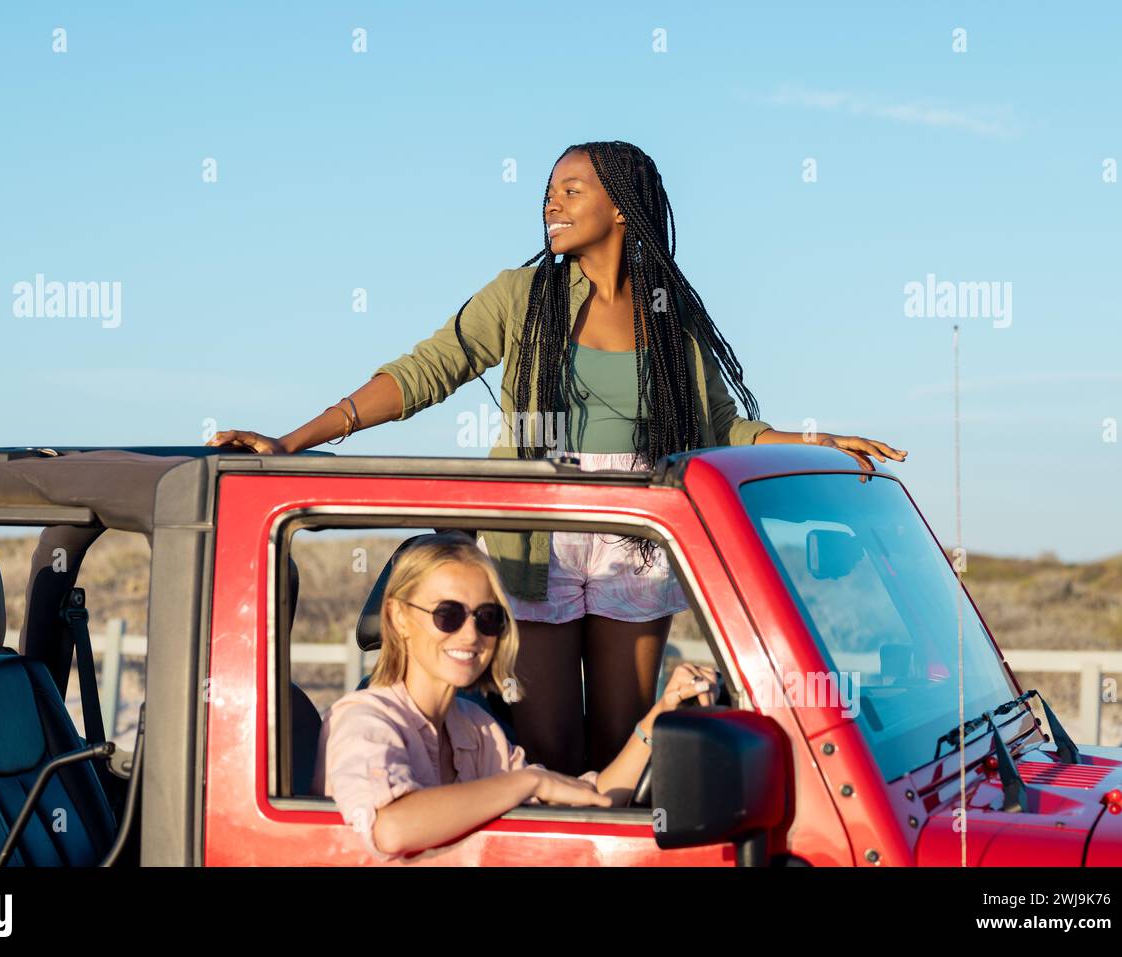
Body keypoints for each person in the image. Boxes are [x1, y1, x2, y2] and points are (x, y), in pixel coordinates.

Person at [208, 139, 905, 775]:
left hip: (639, 535)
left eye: (573, 189)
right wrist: (294, 440)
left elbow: (720, 424)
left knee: (620, 742)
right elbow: (425, 370)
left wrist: (811, 440)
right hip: (534, 532)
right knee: (546, 747)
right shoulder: (525, 295)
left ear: (623, 207)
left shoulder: (669, 314)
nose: (553, 202)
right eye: (550, 189)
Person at [308, 533, 718, 862]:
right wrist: (526, 782)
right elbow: (392, 828)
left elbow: (587, 800)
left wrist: (656, 720)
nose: (470, 635)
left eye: (488, 618)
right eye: (447, 614)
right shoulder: (364, 722)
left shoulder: (475, 727)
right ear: (399, 616)